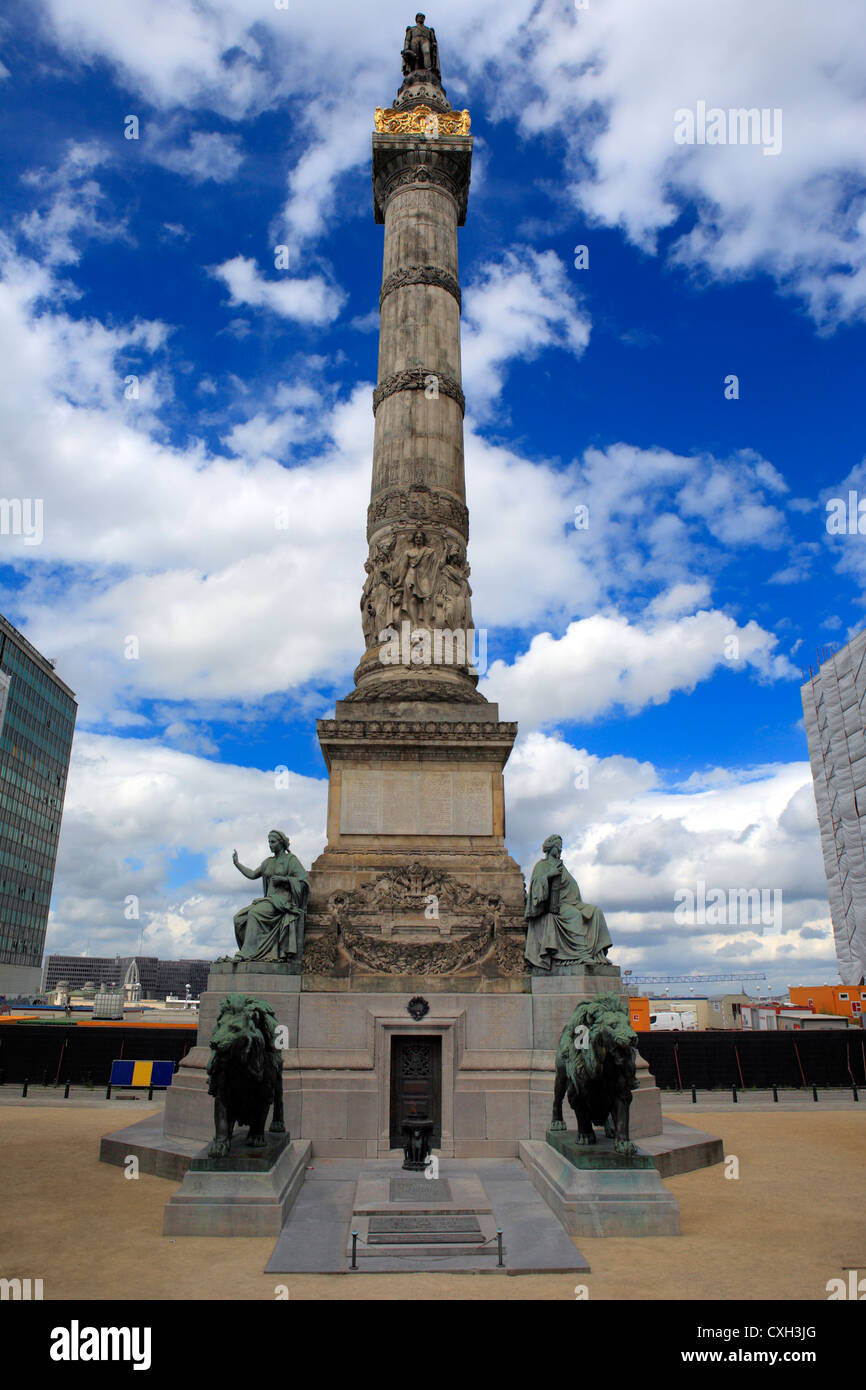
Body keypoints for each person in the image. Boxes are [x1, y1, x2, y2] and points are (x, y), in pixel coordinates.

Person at [524, 834, 612, 970]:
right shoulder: (542, 865)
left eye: (561, 847)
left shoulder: (561, 866)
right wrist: (549, 874)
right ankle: (582, 954)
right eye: (557, 847)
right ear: (550, 847)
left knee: (596, 912)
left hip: (572, 902)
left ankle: (597, 954)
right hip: (556, 905)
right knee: (575, 916)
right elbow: (536, 887)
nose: (560, 850)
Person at [231, 831, 308, 962]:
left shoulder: (290, 860)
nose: (270, 845)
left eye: (273, 842)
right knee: (239, 918)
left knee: (254, 913)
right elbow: (252, 874)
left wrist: (285, 880)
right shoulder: (267, 862)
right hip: (269, 900)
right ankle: (255, 951)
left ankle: (248, 952)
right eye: (269, 842)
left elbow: (303, 879)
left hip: (282, 901)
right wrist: (237, 864)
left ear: (281, 843)